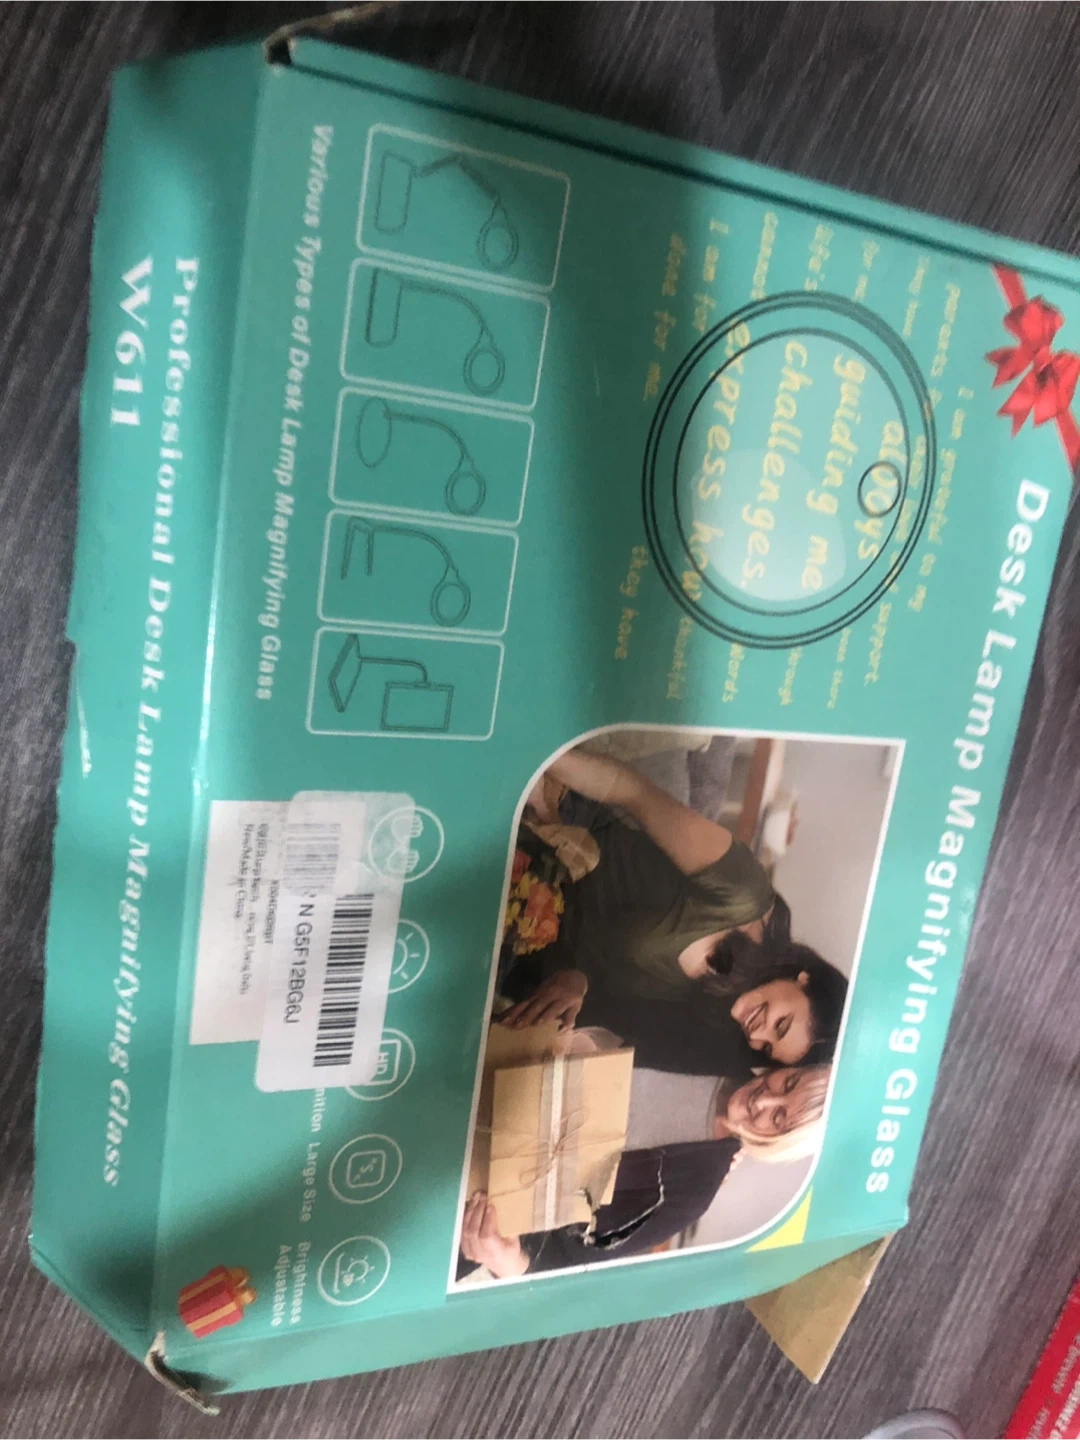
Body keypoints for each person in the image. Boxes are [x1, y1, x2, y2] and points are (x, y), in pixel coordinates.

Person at [500, 747, 847, 1072]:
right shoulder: (742, 894)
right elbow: (630, 791)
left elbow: (593, 992)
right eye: (781, 1025)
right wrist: (535, 756)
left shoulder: (715, 1020)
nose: (757, 1035)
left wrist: (575, 980)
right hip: (556, 837)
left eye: (767, 1048)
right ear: (804, 978)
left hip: (521, 945)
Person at [459, 1064, 831, 1280]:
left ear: (775, 1144)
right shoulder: (717, 1039)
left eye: (778, 1118)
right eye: (789, 1083)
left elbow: (567, 1265)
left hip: (465, 1196)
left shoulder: (693, 1190)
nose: (764, 1099)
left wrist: (506, 1261)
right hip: (471, 1073)